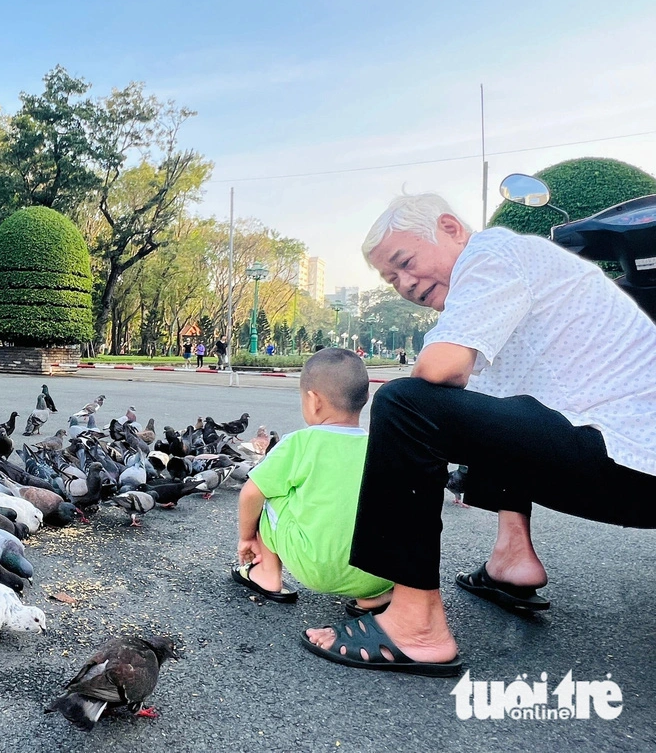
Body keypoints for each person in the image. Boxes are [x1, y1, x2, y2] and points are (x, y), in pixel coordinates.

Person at [302, 192, 656, 678]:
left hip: (632, 456)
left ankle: (415, 626)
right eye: (391, 278)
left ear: (451, 228)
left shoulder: (491, 254)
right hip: (630, 465)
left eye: (405, 263)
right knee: (485, 404)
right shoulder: (507, 282)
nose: (404, 283)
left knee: (405, 403)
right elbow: (483, 414)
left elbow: (439, 369)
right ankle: (512, 557)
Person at [233, 349, 394, 612]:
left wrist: (246, 538)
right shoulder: (381, 446)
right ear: (365, 398)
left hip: (316, 567)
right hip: (377, 572)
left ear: (313, 401)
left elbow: (250, 493)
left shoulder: (301, 443)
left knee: (270, 491)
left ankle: (266, 573)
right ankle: (373, 597)